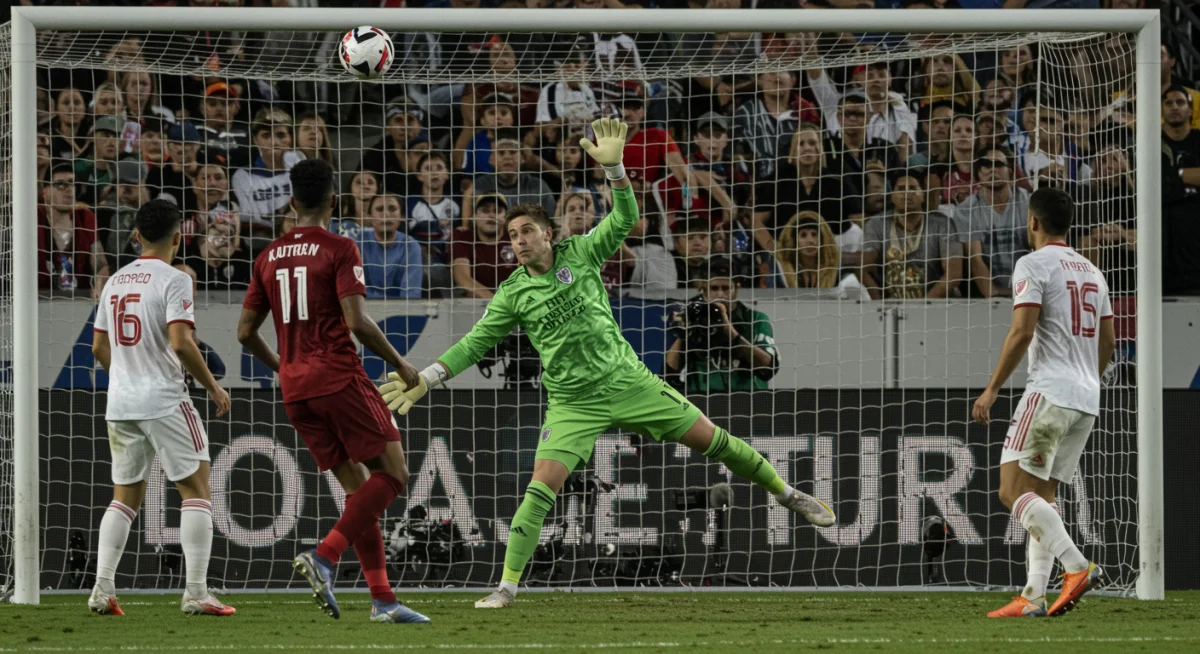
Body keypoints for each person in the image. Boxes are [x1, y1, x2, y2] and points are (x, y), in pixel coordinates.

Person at [376, 119, 835, 609]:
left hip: (629, 383)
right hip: (573, 403)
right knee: (539, 491)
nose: (519, 241)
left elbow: (625, 215)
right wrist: (425, 377)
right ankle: (507, 586)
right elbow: (473, 344)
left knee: (717, 442)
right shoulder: (512, 294)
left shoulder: (583, 251)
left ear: (550, 233)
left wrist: (614, 168)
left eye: (527, 231)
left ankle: (789, 495)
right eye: (512, 236)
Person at [236, 159, 430, 624]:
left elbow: (244, 333)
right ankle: (324, 556)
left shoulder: (267, 257)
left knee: (358, 492)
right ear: (334, 201)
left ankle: (383, 600)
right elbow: (357, 322)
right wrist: (401, 364)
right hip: (338, 377)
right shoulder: (340, 247)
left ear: (291, 203)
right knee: (394, 473)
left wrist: (283, 366)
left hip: (296, 388)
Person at [972, 187, 1115, 619]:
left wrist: (993, 387)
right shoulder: (1092, 270)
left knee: (1011, 490)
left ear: (1032, 221)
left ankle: (1077, 566)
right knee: (1042, 495)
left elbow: (1022, 331)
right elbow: (1107, 340)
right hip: (1086, 396)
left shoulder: (1031, 264)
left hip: (1049, 391)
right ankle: (1033, 595)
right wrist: (1086, 377)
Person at [87, 199, 234, 617]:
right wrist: (213, 388)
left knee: (124, 498)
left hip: (120, 402)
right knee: (196, 490)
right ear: (179, 236)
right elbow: (181, 342)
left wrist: (128, 376)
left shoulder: (113, 281)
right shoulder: (175, 279)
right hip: (164, 398)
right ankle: (196, 592)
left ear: (136, 235)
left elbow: (98, 346)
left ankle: (102, 588)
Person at [665, 256, 780, 392]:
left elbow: (768, 370)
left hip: (748, 401)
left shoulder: (756, 319)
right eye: (714, 288)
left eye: (726, 288)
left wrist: (731, 333)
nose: (720, 294)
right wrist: (682, 335)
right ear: (704, 290)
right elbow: (668, 375)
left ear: (736, 289)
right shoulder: (691, 317)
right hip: (702, 401)